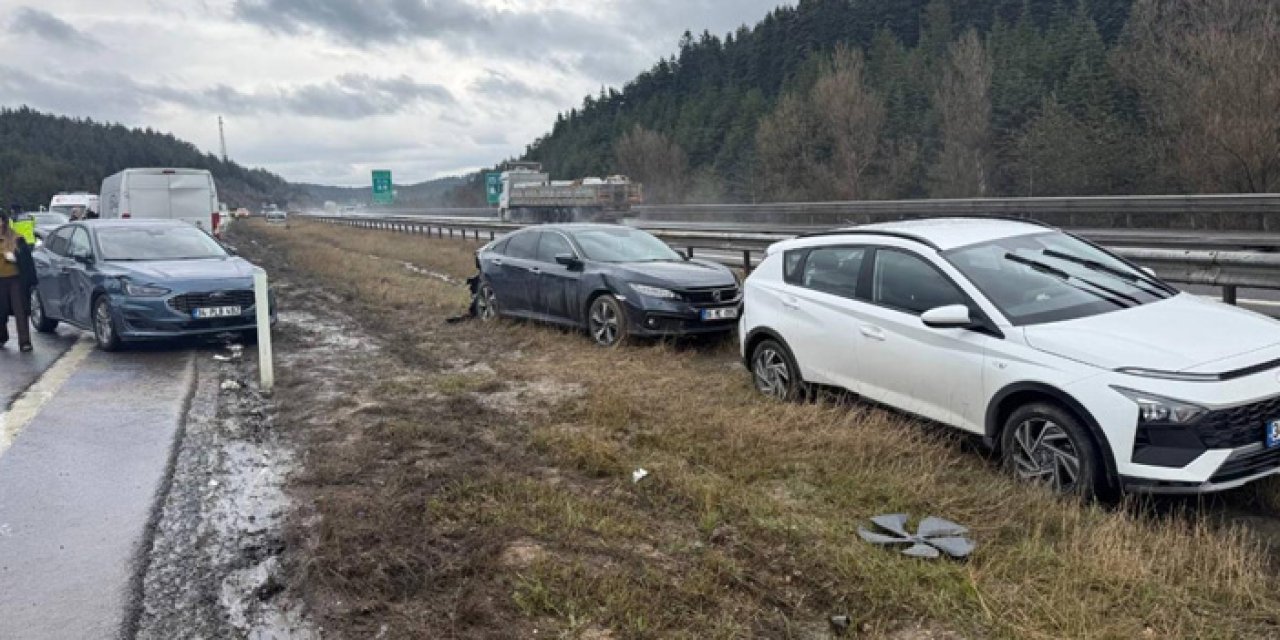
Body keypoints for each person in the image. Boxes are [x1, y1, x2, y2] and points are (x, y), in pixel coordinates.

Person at [0, 207, 38, 351]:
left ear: (4, 222)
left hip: (15, 279)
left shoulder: (16, 238)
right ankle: (1, 337)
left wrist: (15, 258)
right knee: (1, 310)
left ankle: (25, 342)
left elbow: (26, 261)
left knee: (20, 310)